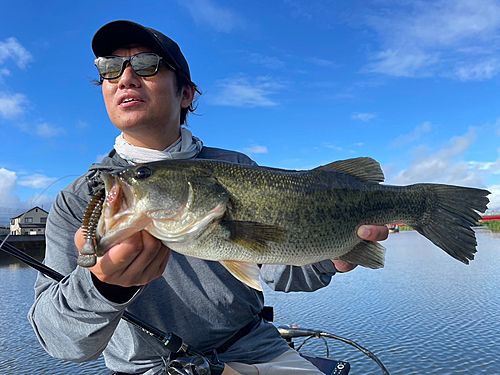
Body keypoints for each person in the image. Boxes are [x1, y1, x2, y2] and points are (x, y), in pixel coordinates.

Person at [28, 20, 389, 375]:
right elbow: (61, 343)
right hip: (149, 369)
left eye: (146, 65)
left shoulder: (236, 167)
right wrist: (102, 286)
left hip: (257, 348)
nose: (125, 78)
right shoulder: (80, 200)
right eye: (109, 69)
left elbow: (279, 269)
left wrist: (334, 255)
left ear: (186, 94)